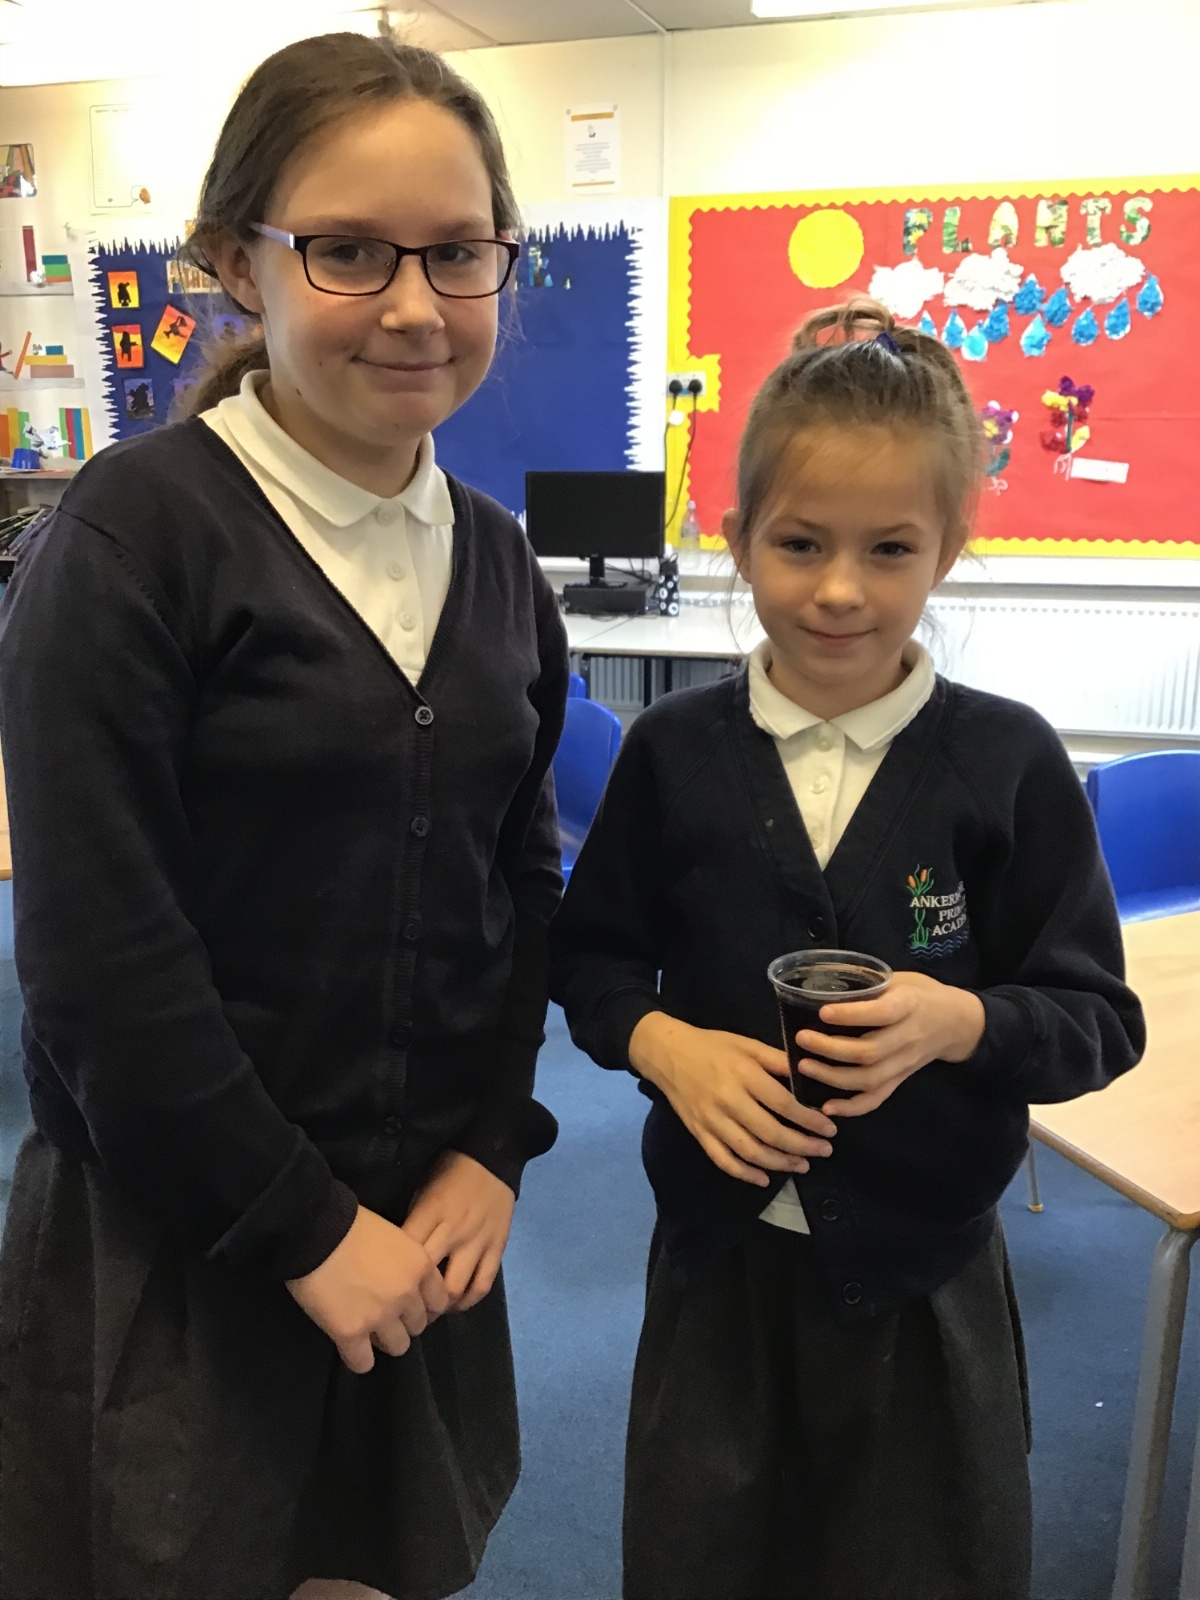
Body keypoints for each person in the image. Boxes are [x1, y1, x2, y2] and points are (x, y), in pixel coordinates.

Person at [0, 33, 566, 1600]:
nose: (414, 305)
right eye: (347, 250)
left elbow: (519, 886)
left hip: (419, 1221)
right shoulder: (133, 541)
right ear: (234, 262)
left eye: (458, 252)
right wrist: (305, 1228)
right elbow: (102, 965)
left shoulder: (498, 561)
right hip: (191, 1229)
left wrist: (494, 1148)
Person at [550, 298, 1145, 1600]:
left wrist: (961, 1022)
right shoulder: (673, 755)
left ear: (948, 551)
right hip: (719, 1264)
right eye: (800, 543)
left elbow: (1098, 1020)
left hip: (925, 1276)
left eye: (889, 549)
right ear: (736, 539)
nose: (838, 589)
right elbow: (588, 962)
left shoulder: (1007, 762)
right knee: (704, 1563)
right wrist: (664, 1045)